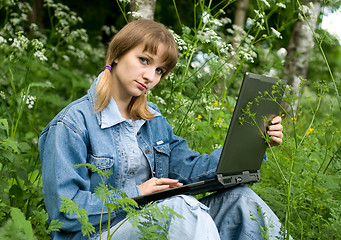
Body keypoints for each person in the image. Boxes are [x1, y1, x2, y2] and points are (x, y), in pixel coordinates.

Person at [39, 19, 285, 240]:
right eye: (144, 60)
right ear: (117, 54)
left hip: (153, 225)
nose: (150, 76)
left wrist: (255, 141)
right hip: (95, 234)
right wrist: (136, 194)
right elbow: (65, 211)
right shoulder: (71, 124)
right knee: (182, 208)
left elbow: (193, 171)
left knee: (241, 200)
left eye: (159, 70)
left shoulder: (153, 121)